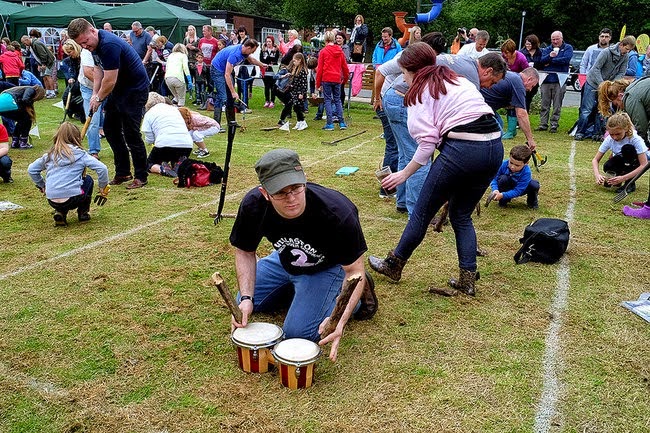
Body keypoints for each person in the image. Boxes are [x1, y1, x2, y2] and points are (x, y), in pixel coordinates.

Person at [368, 43, 503, 297]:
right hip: (494, 147)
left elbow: (427, 144)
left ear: (410, 70)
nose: (404, 78)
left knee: (421, 212)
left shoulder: (420, 93)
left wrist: (403, 174)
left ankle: (394, 264)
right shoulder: (458, 80)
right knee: (461, 215)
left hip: (463, 150)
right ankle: (467, 279)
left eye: (404, 73)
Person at [229, 148, 377, 361]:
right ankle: (301, 295)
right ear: (265, 193)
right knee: (244, 304)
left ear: (305, 181)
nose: (291, 199)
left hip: (327, 268)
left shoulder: (337, 211)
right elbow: (244, 250)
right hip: (284, 260)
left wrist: (339, 319)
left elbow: (354, 271)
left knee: (299, 334)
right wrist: (246, 297)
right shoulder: (254, 204)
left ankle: (356, 300)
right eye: (280, 192)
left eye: (296, 188)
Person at [69, 18, 150, 189]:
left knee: (131, 134)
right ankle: (123, 172)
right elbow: (98, 70)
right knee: (110, 130)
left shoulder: (109, 45)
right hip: (119, 90)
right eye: (80, 44)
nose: (84, 46)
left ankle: (141, 176)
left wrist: (99, 98)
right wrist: (94, 94)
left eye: (85, 42)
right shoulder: (93, 45)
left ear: (92, 31)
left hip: (134, 90)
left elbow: (110, 80)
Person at [27, 122, 109, 226]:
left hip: (52, 199)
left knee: (63, 188)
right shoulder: (81, 154)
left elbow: (31, 169)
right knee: (88, 180)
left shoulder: (49, 155)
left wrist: (42, 185)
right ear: (76, 137)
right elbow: (102, 168)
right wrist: (103, 187)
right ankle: (83, 212)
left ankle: (60, 212)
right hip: (73, 198)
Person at [575, 36, 634, 141]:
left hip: (608, 86)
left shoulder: (625, 57)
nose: (627, 52)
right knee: (586, 110)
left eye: (629, 50)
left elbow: (621, 72)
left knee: (602, 109)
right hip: (593, 83)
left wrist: (612, 84)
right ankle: (580, 132)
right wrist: (602, 84)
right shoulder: (606, 52)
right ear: (621, 45)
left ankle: (597, 133)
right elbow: (596, 68)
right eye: (627, 49)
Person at [210, 39, 266, 128]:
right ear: (248, 48)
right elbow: (227, 75)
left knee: (230, 98)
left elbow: (251, 60)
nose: (252, 53)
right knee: (222, 97)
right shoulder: (235, 54)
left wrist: (262, 64)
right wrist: (233, 91)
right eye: (252, 50)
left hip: (225, 70)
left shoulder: (245, 51)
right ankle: (216, 125)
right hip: (217, 70)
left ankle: (231, 122)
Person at [591, 112, 649, 193]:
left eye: (618, 134)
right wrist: (597, 175)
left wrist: (623, 178)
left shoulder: (635, 139)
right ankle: (617, 178)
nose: (615, 137)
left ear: (625, 129)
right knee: (608, 166)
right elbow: (595, 160)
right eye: (611, 134)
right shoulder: (609, 139)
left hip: (638, 161)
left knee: (627, 149)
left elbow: (644, 165)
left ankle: (629, 183)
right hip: (624, 160)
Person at [481, 68, 540, 146]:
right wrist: (530, 139)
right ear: (529, 79)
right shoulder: (519, 84)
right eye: (532, 86)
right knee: (497, 132)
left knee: (499, 123)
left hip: (481, 104)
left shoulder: (513, 76)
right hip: (479, 107)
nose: (530, 89)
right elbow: (521, 114)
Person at [141, 92, 193, 178]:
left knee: (149, 163)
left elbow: (149, 138)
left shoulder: (149, 113)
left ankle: (162, 169)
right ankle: (179, 163)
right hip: (186, 144)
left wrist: (153, 141)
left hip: (164, 144)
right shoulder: (174, 109)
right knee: (174, 155)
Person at [66, 40, 103, 158]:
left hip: (106, 85)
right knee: (93, 118)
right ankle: (94, 150)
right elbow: (88, 72)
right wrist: (102, 87)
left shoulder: (108, 49)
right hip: (88, 87)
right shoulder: (87, 51)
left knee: (109, 116)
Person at [537, 31, 573, 133]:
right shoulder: (547, 49)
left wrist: (551, 60)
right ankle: (543, 124)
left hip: (560, 80)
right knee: (544, 104)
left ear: (561, 38)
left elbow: (565, 60)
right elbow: (542, 61)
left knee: (557, 105)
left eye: (557, 39)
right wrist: (549, 57)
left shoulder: (568, 48)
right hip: (546, 80)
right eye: (553, 39)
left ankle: (554, 125)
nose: (555, 41)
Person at [598, 78, 650, 146]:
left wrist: (642, 145)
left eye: (616, 104)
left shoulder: (630, 98)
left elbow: (641, 126)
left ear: (620, 96)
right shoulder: (635, 87)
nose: (620, 108)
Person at [488, 144, 540, 209]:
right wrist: (495, 190)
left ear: (526, 163)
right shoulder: (503, 164)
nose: (512, 167)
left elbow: (518, 190)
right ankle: (503, 202)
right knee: (503, 178)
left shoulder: (527, 172)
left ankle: (532, 203)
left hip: (519, 188)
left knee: (534, 185)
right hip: (506, 185)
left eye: (517, 165)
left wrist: (503, 195)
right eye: (511, 163)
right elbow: (494, 178)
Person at [316, 31, 349, 132]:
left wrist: (318, 84)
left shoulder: (323, 52)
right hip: (337, 78)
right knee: (337, 100)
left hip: (327, 78)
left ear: (325, 40)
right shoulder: (340, 51)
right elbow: (345, 67)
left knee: (327, 100)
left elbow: (320, 69)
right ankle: (342, 122)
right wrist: (345, 78)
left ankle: (330, 123)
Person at [0, 84, 45, 149]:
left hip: (2, 105)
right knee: (28, 120)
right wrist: (30, 105)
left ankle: (15, 142)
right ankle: (23, 142)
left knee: (21, 120)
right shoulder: (31, 89)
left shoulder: (19, 89)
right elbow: (25, 99)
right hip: (11, 103)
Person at [278, 52, 309, 131]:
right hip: (294, 91)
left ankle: (303, 121)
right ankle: (299, 122)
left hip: (299, 92)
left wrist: (301, 93)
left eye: (295, 61)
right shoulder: (296, 69)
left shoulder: (302, 71)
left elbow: (304, 83)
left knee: (298, 107)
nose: (293, 62)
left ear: (300, 60)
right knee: (295, 107)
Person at [520, 34, 542, 112]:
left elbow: (542, 63)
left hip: (535, 78)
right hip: (525, 78)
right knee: (523, 98)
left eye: (529, 44)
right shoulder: (522, 53)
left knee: (529, 99)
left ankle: (526, 113)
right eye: (526, 44)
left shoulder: (540, 52)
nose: (528, 46)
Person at [260, 36, 280, 109]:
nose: (268, 43)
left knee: (273, 87)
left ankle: (272, 101)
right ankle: (267, 100)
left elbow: (276, 59)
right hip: (265, 70)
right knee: (266, 86)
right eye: (267, 41)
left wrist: (270, 60)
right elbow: (261, 59)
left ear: (272, 42)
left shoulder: (275, 50)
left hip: (273, 70)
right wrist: (267, 61)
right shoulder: (263, 50)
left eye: (270, 41)